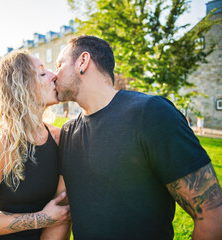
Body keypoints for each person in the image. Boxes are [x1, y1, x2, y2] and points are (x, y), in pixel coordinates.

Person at [55, 35, 222, 239]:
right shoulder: (68, 132)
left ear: (83, 61)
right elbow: (63, 213)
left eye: (59, 65)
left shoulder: (151, 113)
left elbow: (212, 213)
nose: (54, 75)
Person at [0, 50, 71, 240]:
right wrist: (41, 219)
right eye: (42, 73)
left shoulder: (60, 138)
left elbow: (62, 213)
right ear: (20, 86)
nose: (54, 76)